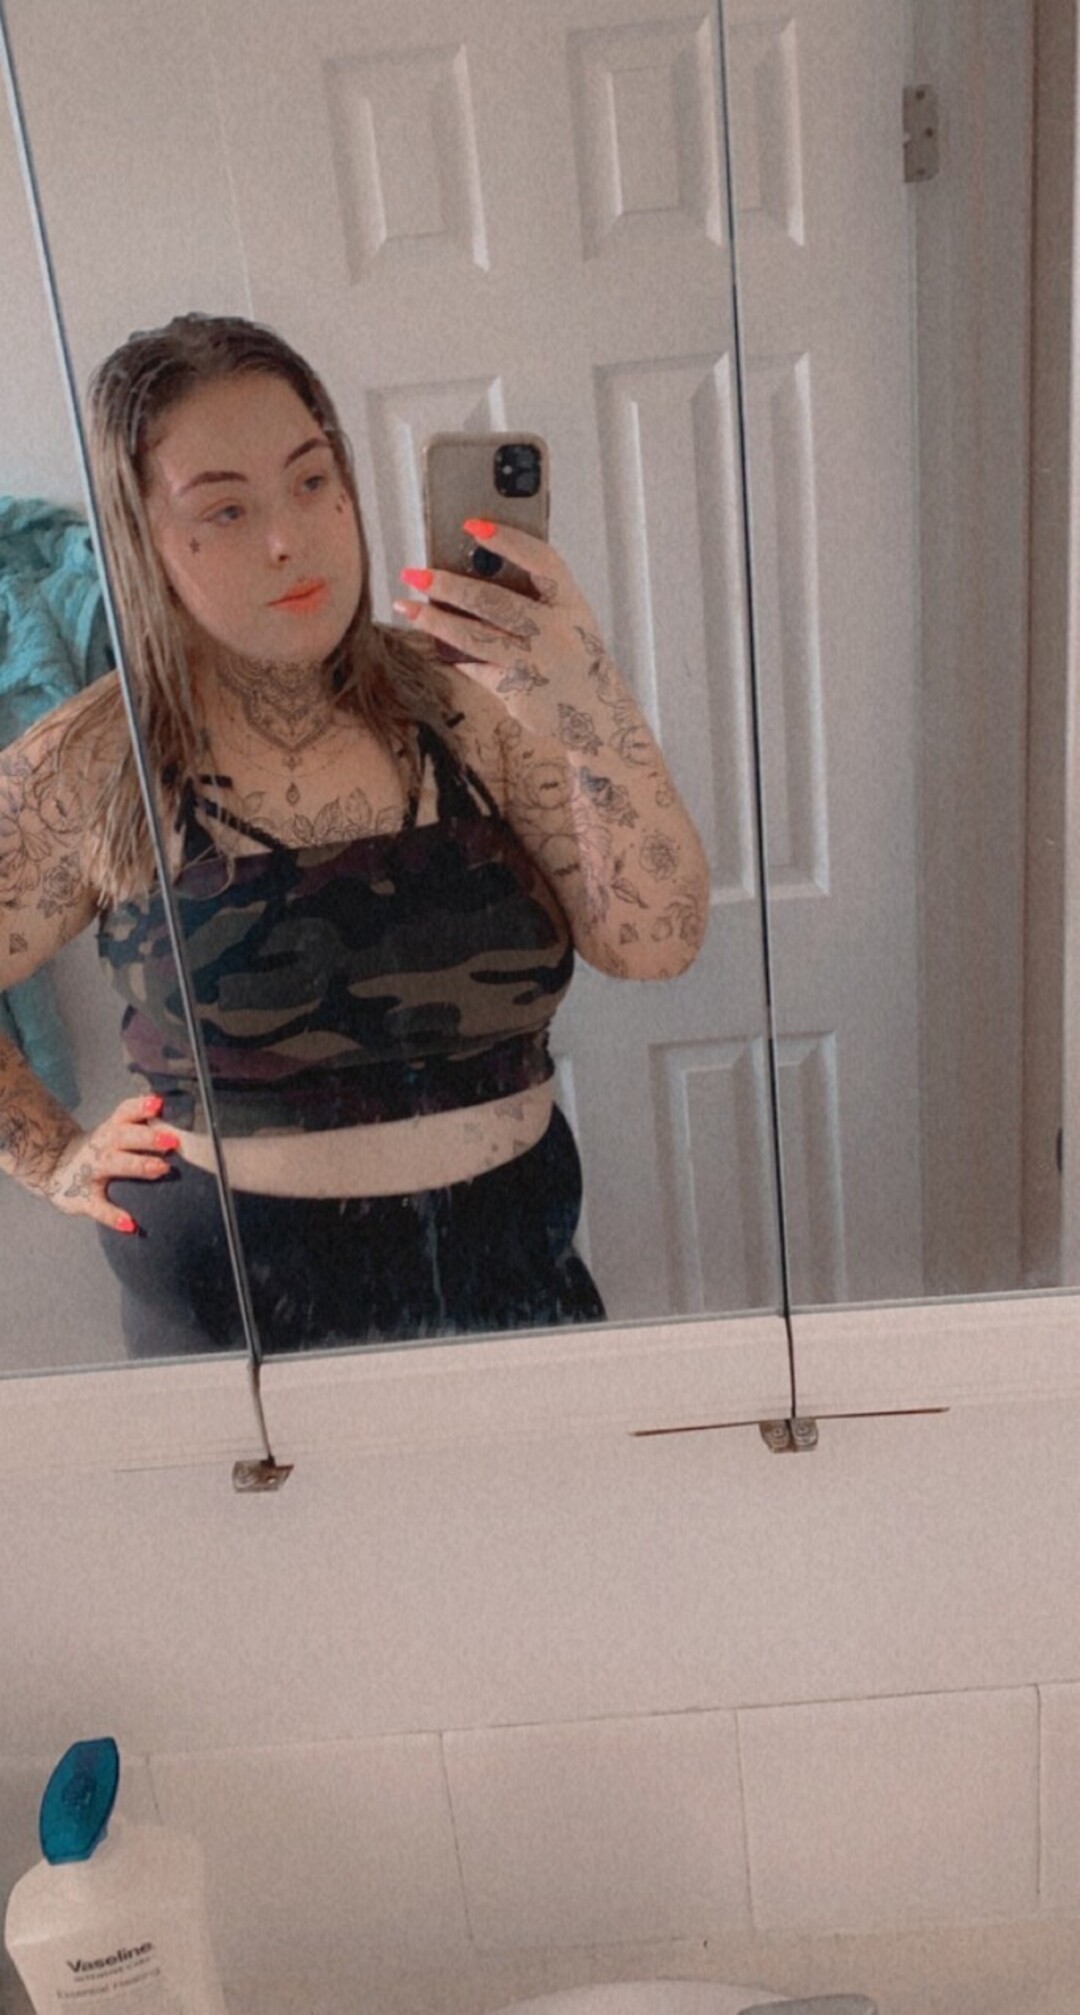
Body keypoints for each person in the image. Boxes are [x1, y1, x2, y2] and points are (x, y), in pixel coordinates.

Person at [0, 313, 708, 1355]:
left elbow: (655, 943)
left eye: (311, 479)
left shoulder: (478, 706)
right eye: (225, 509)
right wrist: (51, 1157)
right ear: (141, 540)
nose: (288, 538)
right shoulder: (95, 762)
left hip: (519, 1303)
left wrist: (592, 701)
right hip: (235, 1342)